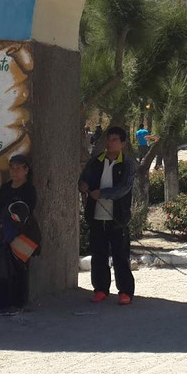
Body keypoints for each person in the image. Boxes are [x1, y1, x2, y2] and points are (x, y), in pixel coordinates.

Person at [79, 125, 137, 305]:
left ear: (122, 144)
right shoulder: (96, 161)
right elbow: (83, 178)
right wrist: (83, 185)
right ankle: (101, 289)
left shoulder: (127, 163)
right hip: (96, 216)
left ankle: (125, 292)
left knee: (120, 256)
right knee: (98, 255)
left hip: (118, 217)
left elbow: (124, 188)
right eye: (108, 139)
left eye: (114, 140)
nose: (110, 143)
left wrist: (102, 194)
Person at [0, 154, 37, 316]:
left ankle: (17, 304)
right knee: (0, 269)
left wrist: (12, 226)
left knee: (19, 269)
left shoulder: (29, 189)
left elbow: (26, 212)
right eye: (12, 168)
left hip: (21, 234)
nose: (14, 171)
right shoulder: (6, 187)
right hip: (2, 233)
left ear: (26, 170)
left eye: (18, 168)